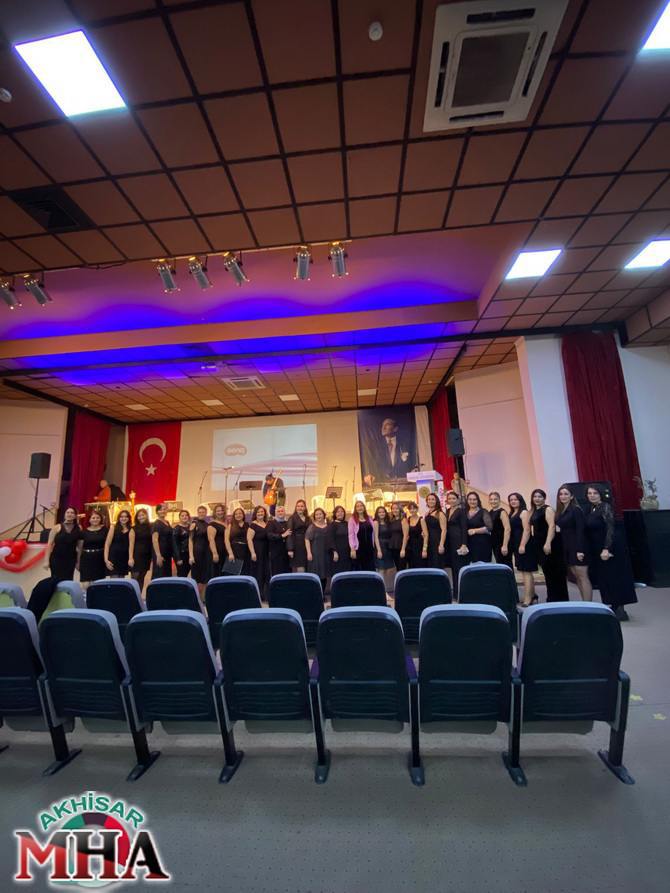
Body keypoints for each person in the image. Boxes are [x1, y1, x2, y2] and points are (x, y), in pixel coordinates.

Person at [585, 485, 631, 619]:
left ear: (600, 494)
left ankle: (620, 609)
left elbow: (610, 528)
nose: (592, 495)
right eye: (589, 493)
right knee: (604, 578)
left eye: (595, 493)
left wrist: (607, 548)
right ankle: (613, 606)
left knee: (614, 578)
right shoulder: (591, 509)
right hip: (597, 549)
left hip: (608, 548)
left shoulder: (605, 507)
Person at [530, 489, 568, 602]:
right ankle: (551, 598)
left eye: (540, 496)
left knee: (555, 573)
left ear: (544, 498)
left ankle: (559, 599)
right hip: (539, 544)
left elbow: (552, 526)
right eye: (535, 496)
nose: (537, 499)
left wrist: (548, 543)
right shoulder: (535, 510)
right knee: (548, 573)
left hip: (550, 544)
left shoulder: (547, 509)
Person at [556, 484, 592, 601]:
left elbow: (581, 530)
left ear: (571, 496)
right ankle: (584, 602)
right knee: (577, 577)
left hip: (578, 547)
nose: (563, 496)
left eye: (566, 494)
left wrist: (580, 550)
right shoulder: (562, 511)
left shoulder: (576, 510)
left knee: (583, 576)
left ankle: (588, 605)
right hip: (568, 547)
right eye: (561, 494)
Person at [363, 417, 415, 485]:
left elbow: (411, 463)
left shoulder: (404, 444)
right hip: (382, 483)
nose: (383, 428)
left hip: (402, 483)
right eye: (383, 425)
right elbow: (370, 463)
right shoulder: (376, 445)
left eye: (387, 424)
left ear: (395, 429)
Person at [508, 492, 537, 606]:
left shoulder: (524, 512)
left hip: (525, 544)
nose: (513, 501)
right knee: (524, 571)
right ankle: (533, 595)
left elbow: (527, 529)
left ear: (520, 501)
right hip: (517, 544)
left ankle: (528, 598)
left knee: (526, 572)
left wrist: (522, 545)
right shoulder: (512, 513)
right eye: (511, 500)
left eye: (515, 499)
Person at [44, 507, 79, 581]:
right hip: (56, 559)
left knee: (68, 580)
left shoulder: (79, 528)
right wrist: (46, 561)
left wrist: (78, 562)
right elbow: (49, 544)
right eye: (67, 512)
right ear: (64, 515)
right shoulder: (56, 527)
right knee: (55, 580)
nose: (69, 514)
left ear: (75, 516)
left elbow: (80, 547)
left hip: (70, 559)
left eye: (72, 513)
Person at [445, 491, 469, 596]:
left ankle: (462, 593)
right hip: (449, 542)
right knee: (454, 568)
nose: (451, 500)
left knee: (460, 567)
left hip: (459, 541)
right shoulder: (447, 510)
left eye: (453, 498)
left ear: (458, 500)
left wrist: (464, 544)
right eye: (449, 498)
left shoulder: (461, 511)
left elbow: (464, 528)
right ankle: (455, 592)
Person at [77, 509, 107, 586]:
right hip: (86, 559)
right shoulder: (84, 532)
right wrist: (78, 562)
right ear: (89, 520)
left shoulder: (105, 530)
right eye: (93, 518)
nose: (95, 519)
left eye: (97, 518)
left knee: (99, 584)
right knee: (86, 584)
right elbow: (80, 549)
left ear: (101, 519)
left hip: (100, 559)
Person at [248, 505, 271, 597]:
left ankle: (266, 595)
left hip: (266, 552)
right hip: (257, 551)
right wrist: (252, 552)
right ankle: (258, 595)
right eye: (258, 512)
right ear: (255, 514)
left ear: (265, 513)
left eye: (262, 512)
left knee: (266, 572)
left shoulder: (267, 524)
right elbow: (249, 539)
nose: (260, 513)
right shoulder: (253, 525)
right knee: (258, 573)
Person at [306, 507, 330, 591]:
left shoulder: (328, 526)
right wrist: (309, 552)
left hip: (326, 554)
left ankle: (322, 593)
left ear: (324, 515)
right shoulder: (312, 527)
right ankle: (317, 594)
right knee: (316, 574)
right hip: (315, 554)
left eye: (320, 514)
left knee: (324, 574)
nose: (319, 516)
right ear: (314, 517)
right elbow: (307, 539)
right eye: (316, 515)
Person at [373, 505, 396, 593]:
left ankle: (387, 588)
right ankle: (381, 590)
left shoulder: (388, 522)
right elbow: (376, 537)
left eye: (383, 512)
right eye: (379, 512)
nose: (381, 514)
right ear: (377, 514)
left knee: (388, 568)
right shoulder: (376, 522)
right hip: (381, 546)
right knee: (381, 568)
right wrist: (379, 550)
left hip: (388, 547)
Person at [189, 504, 211, 593]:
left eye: (203, 512)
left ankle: (203, 596)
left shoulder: (208, 525)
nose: (201, 514)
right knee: (196, 577)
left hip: (206, 553)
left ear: (206, 513)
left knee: (205, 576)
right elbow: (190, 540)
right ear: (197, 513)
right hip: (196, 553)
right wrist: (191, 556)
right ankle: (196, 596)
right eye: (200, 512)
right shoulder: (194, 524)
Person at [465, 492, 492, 563]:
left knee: (483, 566)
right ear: (467, 501)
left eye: (474, 499)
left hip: (482, 543)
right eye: (470, 499)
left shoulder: (483, 511)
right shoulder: (464, 512)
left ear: (478, 501)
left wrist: (474, 530)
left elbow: (489, 527)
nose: (472, 501)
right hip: (469, 543)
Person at [348, 500, 375, 571]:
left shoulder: (369, 518)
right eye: (358, 506)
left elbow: (373, 532)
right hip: (359, 549)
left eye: (361, 506)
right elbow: (351, 535)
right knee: (360, 570)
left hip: (370, 548)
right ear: (355, 509)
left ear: (364, 507)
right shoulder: (352, 519)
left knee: (370, 569)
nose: (360, 508)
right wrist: (352, 549)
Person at [129, 508, 152, 589]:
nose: (141, 517)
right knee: (134, 579)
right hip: (136, 555)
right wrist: (130, 558)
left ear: (146, 516)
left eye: (143, 515)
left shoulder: (151, 526)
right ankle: (132, 595)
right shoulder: (133, 528)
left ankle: (139, 595)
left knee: (142, 578)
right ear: (136, 517)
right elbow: (131, 544)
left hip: (146, 556)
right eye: (139, 516)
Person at [104, 509, 131, 577]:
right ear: (119, 518)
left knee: (121, 581)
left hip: (124, 558)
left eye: (126, 516)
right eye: (121, 517)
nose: (124, 518)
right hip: (113, 558)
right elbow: (107, 544)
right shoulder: (113, 528)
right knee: (114, 579)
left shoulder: (131, 529)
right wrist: (106, 560)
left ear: (129, 518)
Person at [488, 491, 512, 567]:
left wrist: (505, 545)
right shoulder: (490, 512)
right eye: (491, 499)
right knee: (500, 566)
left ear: (499, 500)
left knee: (506, 566)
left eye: (495, 499)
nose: (493, 501)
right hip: (495, 544)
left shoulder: (502, 512)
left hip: (502, 543)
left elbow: (507, 529)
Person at [226, 507, 251, 575]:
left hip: (246, 551)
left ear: (243, 515)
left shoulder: (247, 524)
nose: (238, 515)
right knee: (234, 573)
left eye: (240, 513)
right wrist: (230, 553)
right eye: (236, 514)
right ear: (234, 516)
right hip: (235, 551)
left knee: (245, 572)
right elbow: (226, 540)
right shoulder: (230, 525)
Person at [286, 500, 310, 572]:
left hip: (307, 544)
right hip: (297, 546)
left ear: (305, 508)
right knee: (300, 567)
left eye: (302, 506)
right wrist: (290, 549)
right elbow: (289, 534)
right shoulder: (292, 518)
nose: (300, 508)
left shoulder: (308, 518)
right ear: (296, 508)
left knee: (307, 566)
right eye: (298, 506)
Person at [327, 505, 351, 576]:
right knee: (338, 573)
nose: (340, 513)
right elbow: (330, 539)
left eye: (342, 511)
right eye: (338, 512)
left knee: (347, 572)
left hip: (347, 552)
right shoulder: (332, 525)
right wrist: (334, 552)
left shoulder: (347, 523)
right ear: (335, 514)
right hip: (337, 553)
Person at [425, 493, 447, 569]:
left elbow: (444, 530)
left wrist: (441, 544)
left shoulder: (440, 513)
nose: (430, 501)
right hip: (429, 542)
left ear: (436, 501)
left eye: (433, 499)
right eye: (429, 499)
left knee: (437, 564)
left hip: (437, 541)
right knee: (430, 565)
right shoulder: (427, 514)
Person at [402, 501, 428, 568]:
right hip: (410, 547)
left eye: (414, 508)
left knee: (420, 566)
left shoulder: (421, 520)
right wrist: (403, 549)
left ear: (417, 509)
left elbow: (426, 535)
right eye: (410, 509)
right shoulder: (407, 520)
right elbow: (406, 535)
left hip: (420, 547)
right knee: (411, 567)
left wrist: (424, 549)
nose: (412, 510)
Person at [267, 505, 290, 576]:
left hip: (286, 553)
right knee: (277, 574)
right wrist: (282, 536)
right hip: (276, 553)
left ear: (285, 512)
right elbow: (269, 535)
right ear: (275, 513)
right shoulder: (271, 523)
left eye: (282, 511)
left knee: (287, 573)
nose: (280, 513)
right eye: (278, 511)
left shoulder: (288, 523)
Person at [151, 504, 173, 579]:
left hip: (167, 553)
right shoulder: (156, 524)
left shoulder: (167, 522)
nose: (162, 511)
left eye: (164, 509)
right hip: (160, 552)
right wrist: (158, 555)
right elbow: (155, 540)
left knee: (167, 575)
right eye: (160, 510)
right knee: (159, 575)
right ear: (157, 512)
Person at [207, 503, 227, 578]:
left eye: (221, 510)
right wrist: (215, 553)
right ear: (214, 513)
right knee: (216, 573)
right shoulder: (212, 524)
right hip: (216, 551)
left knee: (223, 574)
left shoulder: (225, 523)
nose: (220, 512)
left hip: (224, 552)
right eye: (218, 511)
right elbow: (211, 540)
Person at [172, 509, 192, 578]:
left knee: (187, 572)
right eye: (182, 516)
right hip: (181, 554)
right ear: (179, 517)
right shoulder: (176, 529)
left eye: (186, 515)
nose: (184, 517)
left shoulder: (191, 526)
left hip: (189, 554)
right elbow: (175, 545)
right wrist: (178, 558)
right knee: (182, 574)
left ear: (188, 517)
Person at [388, 503, 406, 571]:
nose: (394, 510)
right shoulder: (391, 520)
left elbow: (406, 535)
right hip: (393, 547)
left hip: (401, 547)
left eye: (396, 508)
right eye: (393, 509)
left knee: (402, 568)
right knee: (397, 567)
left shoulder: (403, 520)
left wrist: (403, 549)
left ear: (400, 510)